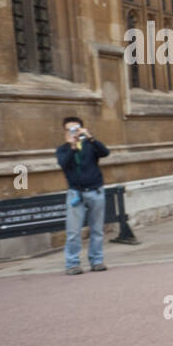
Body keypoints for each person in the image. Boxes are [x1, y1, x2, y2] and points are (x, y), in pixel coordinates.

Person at [55, 116, 108, 275]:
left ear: (82, 129)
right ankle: (72, 264)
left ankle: (97, 261)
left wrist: (90, 137)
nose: (73, 132)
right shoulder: (63, 150)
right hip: (75, 194)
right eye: (69, 130)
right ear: (64, 132)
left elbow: (105, 152)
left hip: (95, 191)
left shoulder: (90, 146)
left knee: (97, 229)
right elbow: (63, 164)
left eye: (76, 129)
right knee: (73, 232)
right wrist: (72, 146)